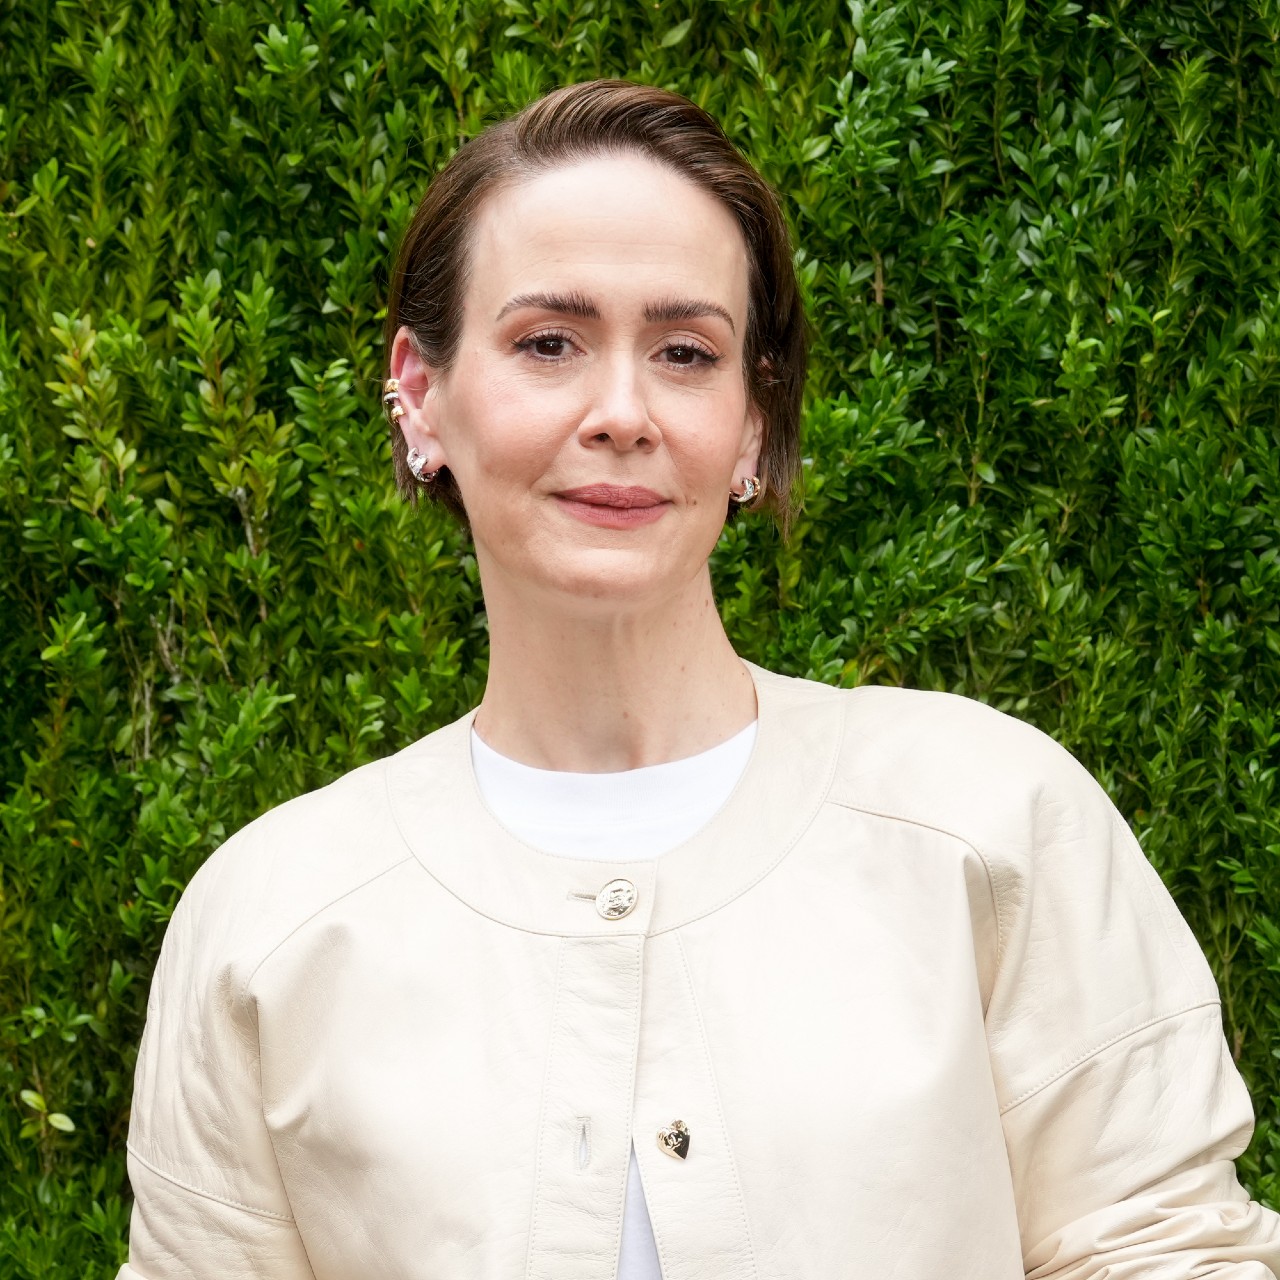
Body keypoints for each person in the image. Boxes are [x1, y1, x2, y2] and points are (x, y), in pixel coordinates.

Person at [119, 80, 1280, 1278]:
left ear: (751, 423)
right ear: (420, 393)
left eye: (684, 353)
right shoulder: (269, 917)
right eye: (547, 343)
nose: (622, 413)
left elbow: (1163, 1247)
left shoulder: (985, 822)